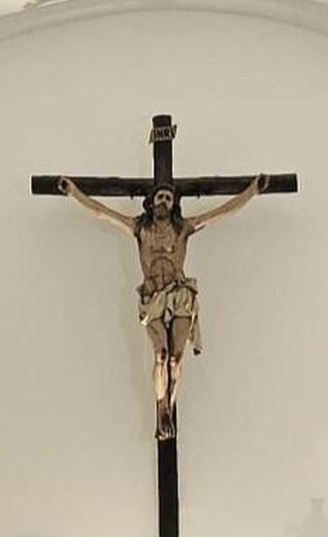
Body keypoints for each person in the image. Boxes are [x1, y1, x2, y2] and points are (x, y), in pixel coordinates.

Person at [58, 174, 265, 439]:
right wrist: (74, 193)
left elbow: (220, 213)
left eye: (169, 198)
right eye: (160, 197)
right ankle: (161, 406)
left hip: (179, 296)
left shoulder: (184, 229)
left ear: (174, 204)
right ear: (151, 202)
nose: (164, 201)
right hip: (153, 298)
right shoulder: (139, 229)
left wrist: (251, 192)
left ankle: (169, 404)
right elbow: (102, 213)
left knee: (177, 357)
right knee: (161, 354)